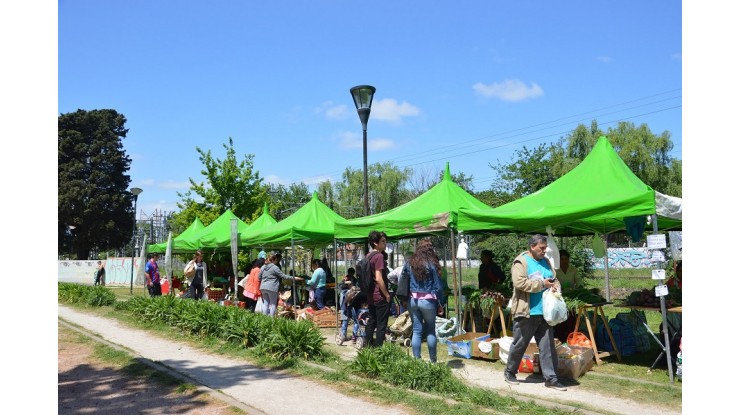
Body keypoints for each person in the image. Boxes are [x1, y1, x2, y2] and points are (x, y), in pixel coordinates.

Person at [504, 234, 567, 391]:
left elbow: (554, 279)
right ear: (532, 247)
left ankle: (551, 379)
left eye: (545, 248)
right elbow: (519, 283)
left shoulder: (546, 262)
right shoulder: (521, 262)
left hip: (545, 313)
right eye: (541, 248)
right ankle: (510, 372)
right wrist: (542, 284)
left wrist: (554, 286)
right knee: (520, 344)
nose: (544, 251)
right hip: (527, 311)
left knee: (547, 346)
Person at [403, 239, 445, 363]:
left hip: (413, 300)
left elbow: (402, 280)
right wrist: (440, 303)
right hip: (428, 301)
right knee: (430, 330)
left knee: (416, 330)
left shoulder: (410, 263)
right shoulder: (432, 263)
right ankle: (433, 362)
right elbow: (438, 286)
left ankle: (417, 361)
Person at [363, 230, 392, 348]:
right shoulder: (379, 256)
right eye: (383, 241)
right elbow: (379, 278)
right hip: (379, 295)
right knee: (381, 325)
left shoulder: (368, 256)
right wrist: (387, 295)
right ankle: (379, 350)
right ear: (375, 243)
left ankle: (368, 347)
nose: (385, 244)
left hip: (370, 295)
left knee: (371, 322)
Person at [258, 252, 303, 317]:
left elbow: (259, 277)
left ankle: (264, 319)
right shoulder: (274, 267)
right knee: (273, 304)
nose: (277, 262)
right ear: (273, 260)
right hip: (272, 287)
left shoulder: (263, 267)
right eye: (276, 260)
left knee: (265, 303)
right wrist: (294, 278)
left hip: (263, 287)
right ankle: (271, 319)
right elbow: (283, 276)